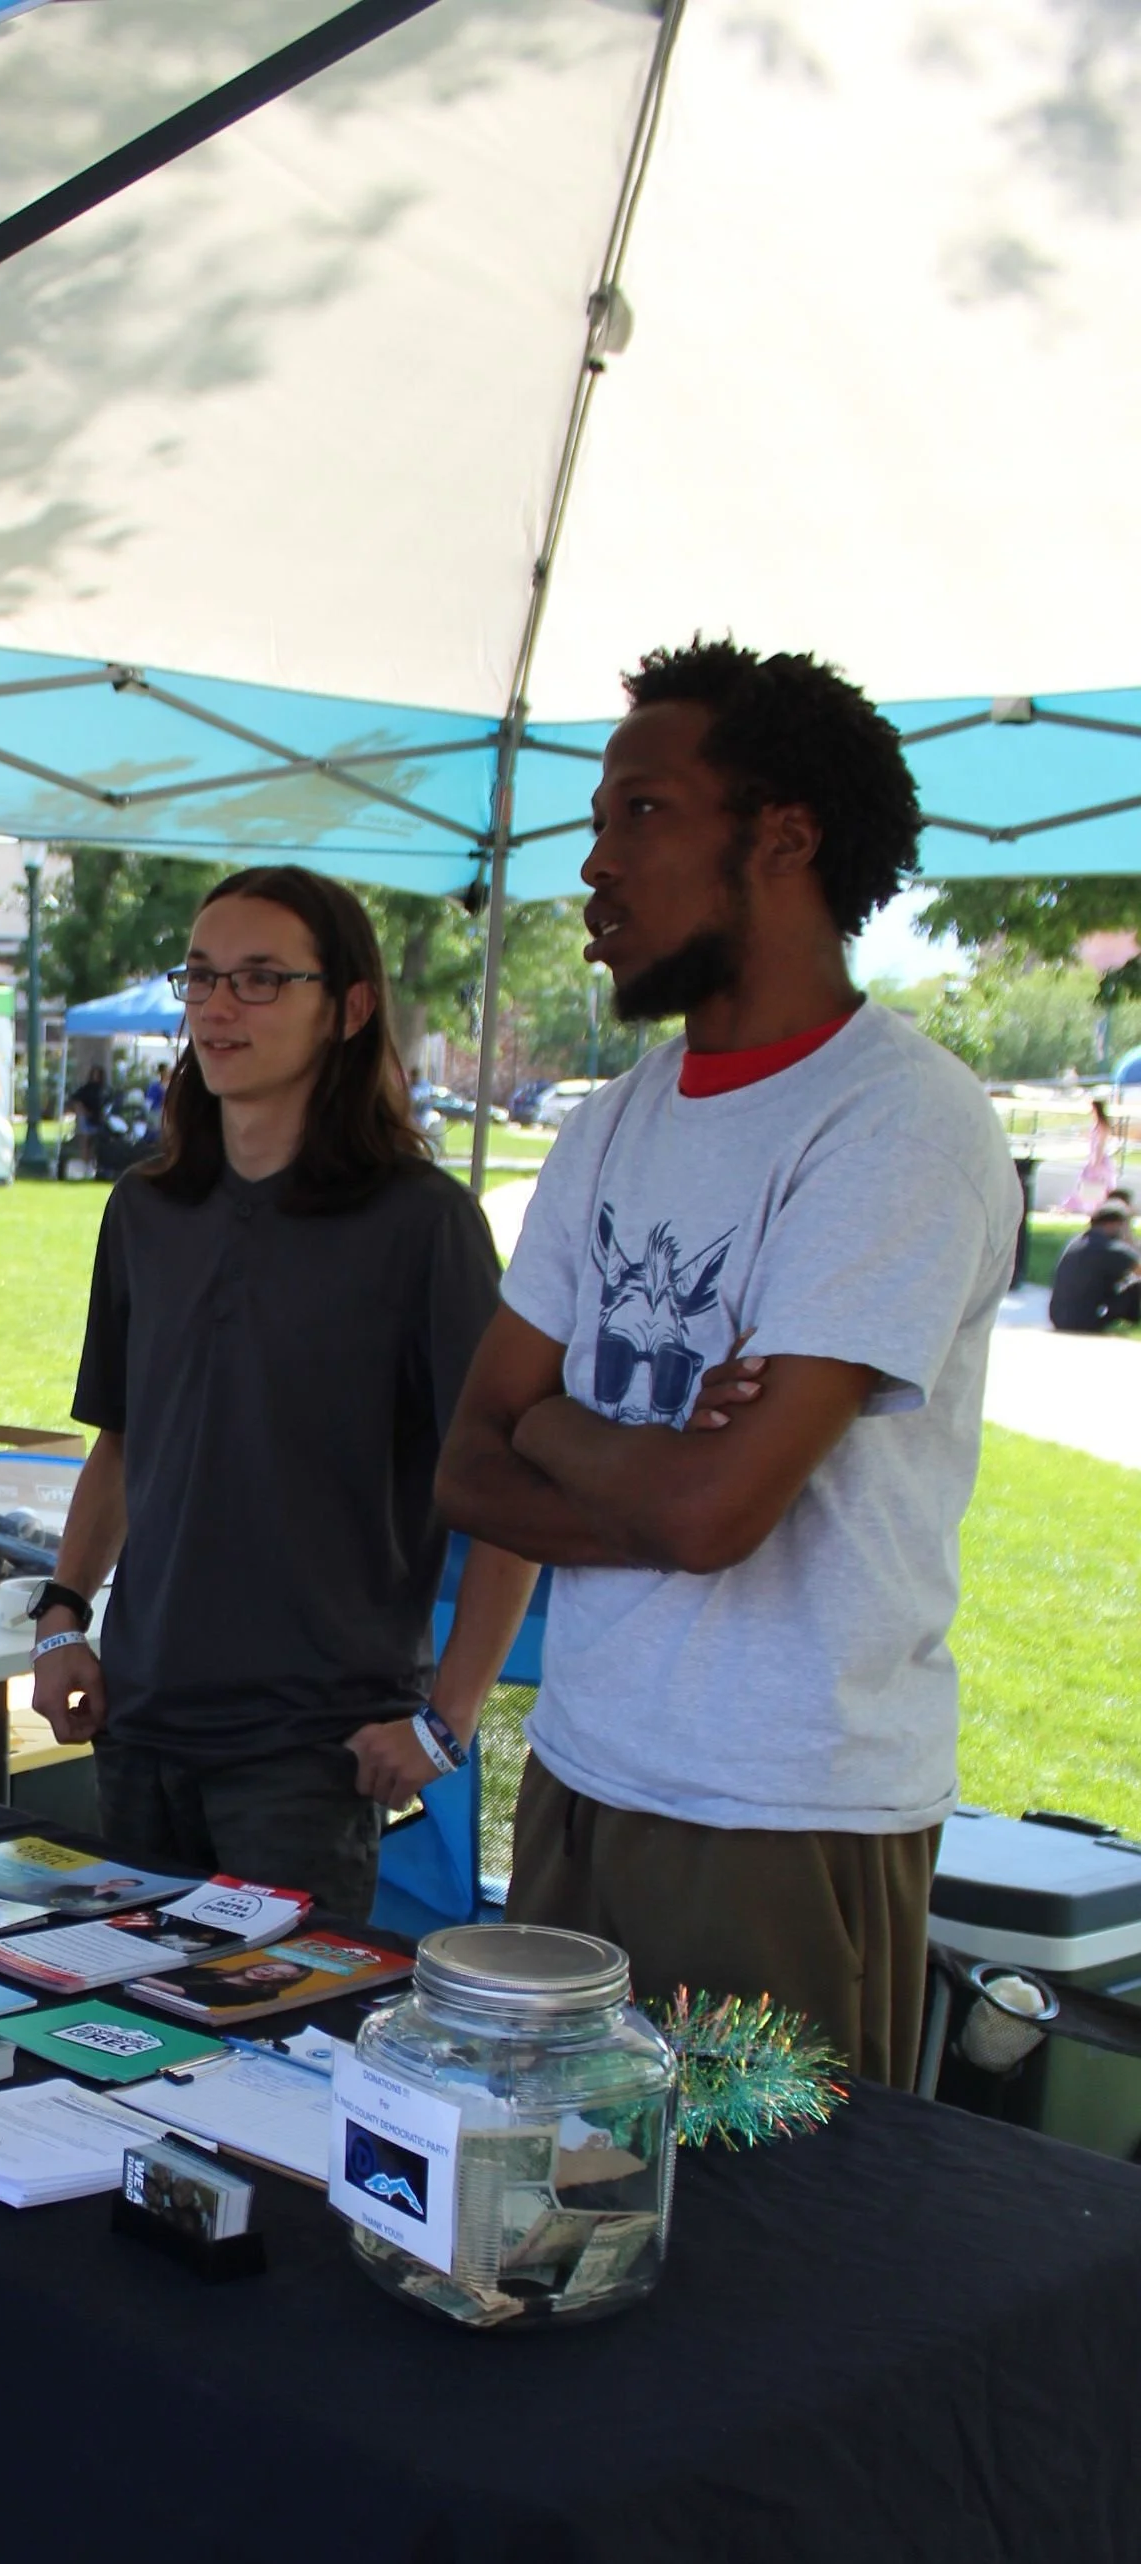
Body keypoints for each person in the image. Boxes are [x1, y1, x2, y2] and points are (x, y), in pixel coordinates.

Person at [437, 637, 1020, 2086]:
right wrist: (637, 1458)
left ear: (784, 837)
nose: (596, 871)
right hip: (582, 1779)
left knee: (772, 2269)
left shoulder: (896, 1128)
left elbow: (717, 1517)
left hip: (780, 1814)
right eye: (595, 824)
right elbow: (464, 1466)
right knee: (546, 2220)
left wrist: (562, 1428)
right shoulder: (613, 1122)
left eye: (641, 814)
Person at [30, 867, 536, 1916]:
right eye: (202, 977)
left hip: (310, 1756)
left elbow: (511, 1498)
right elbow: (121, 1445)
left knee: (273, 2058)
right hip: (137, 1724)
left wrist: (449, 1718)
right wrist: (62, 1619)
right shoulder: (145, 1210)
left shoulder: (424, 1225)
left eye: (261, 980)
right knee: (128, 2040)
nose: (218, 1007)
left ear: (349, 1007)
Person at [1048, 1202, 1141, 1332]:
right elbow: (1138, 1270)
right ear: (1113, 1225)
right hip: (1087, 1321)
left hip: (1058, 1318)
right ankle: (1130, 1324)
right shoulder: (1112, 1248)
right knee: (1136, 1284)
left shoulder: (1074, 1243)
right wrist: (1130, 1242)